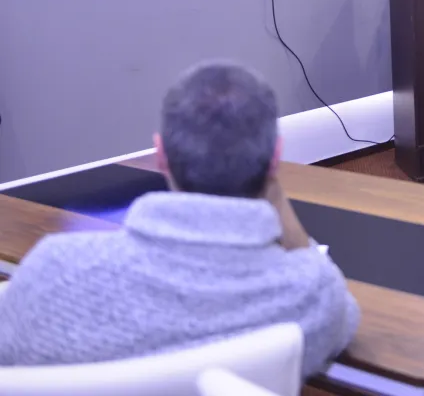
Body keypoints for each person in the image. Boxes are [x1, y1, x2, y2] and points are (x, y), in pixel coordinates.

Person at [0, 62, 359, 377]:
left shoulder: (50, 272)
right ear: (276, 158)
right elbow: (340, 308)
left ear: (161, 155)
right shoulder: (313, 295)